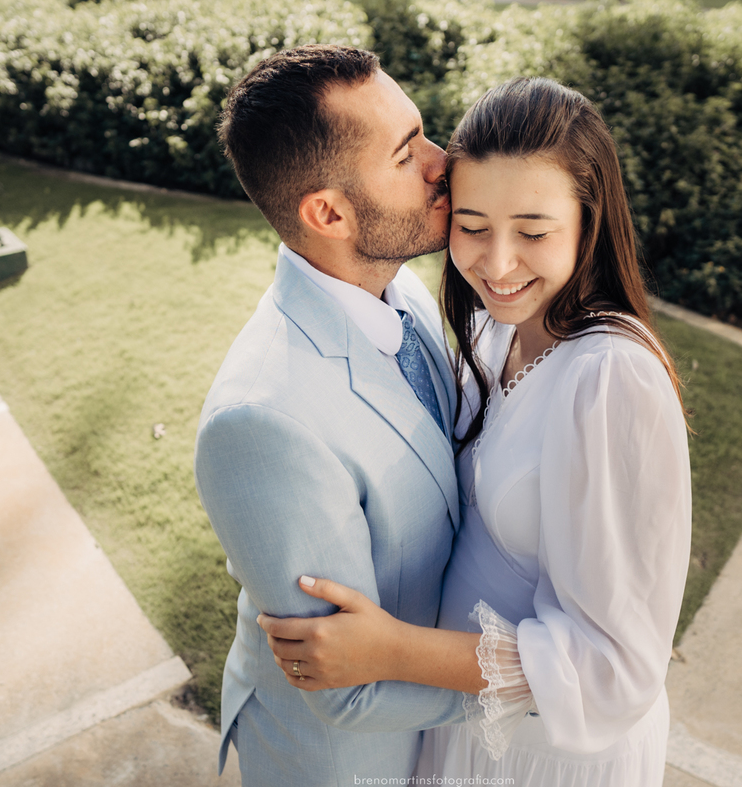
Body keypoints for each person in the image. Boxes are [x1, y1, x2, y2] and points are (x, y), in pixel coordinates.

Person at [259, 77, 694, 785]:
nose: (497, 264)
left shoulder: (612, 378)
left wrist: (393, 651)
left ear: (589, 221)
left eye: (533, 231)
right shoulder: (498, 330)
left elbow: (612, 670)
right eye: (472, 226)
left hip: (541, 756)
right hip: (468, 727)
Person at [193, 45, 468, 785]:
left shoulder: (401, 290)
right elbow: (348, 690)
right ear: (328, 212)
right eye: (408, 154)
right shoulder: (259, 425)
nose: (445, 163)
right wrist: (549, 684)